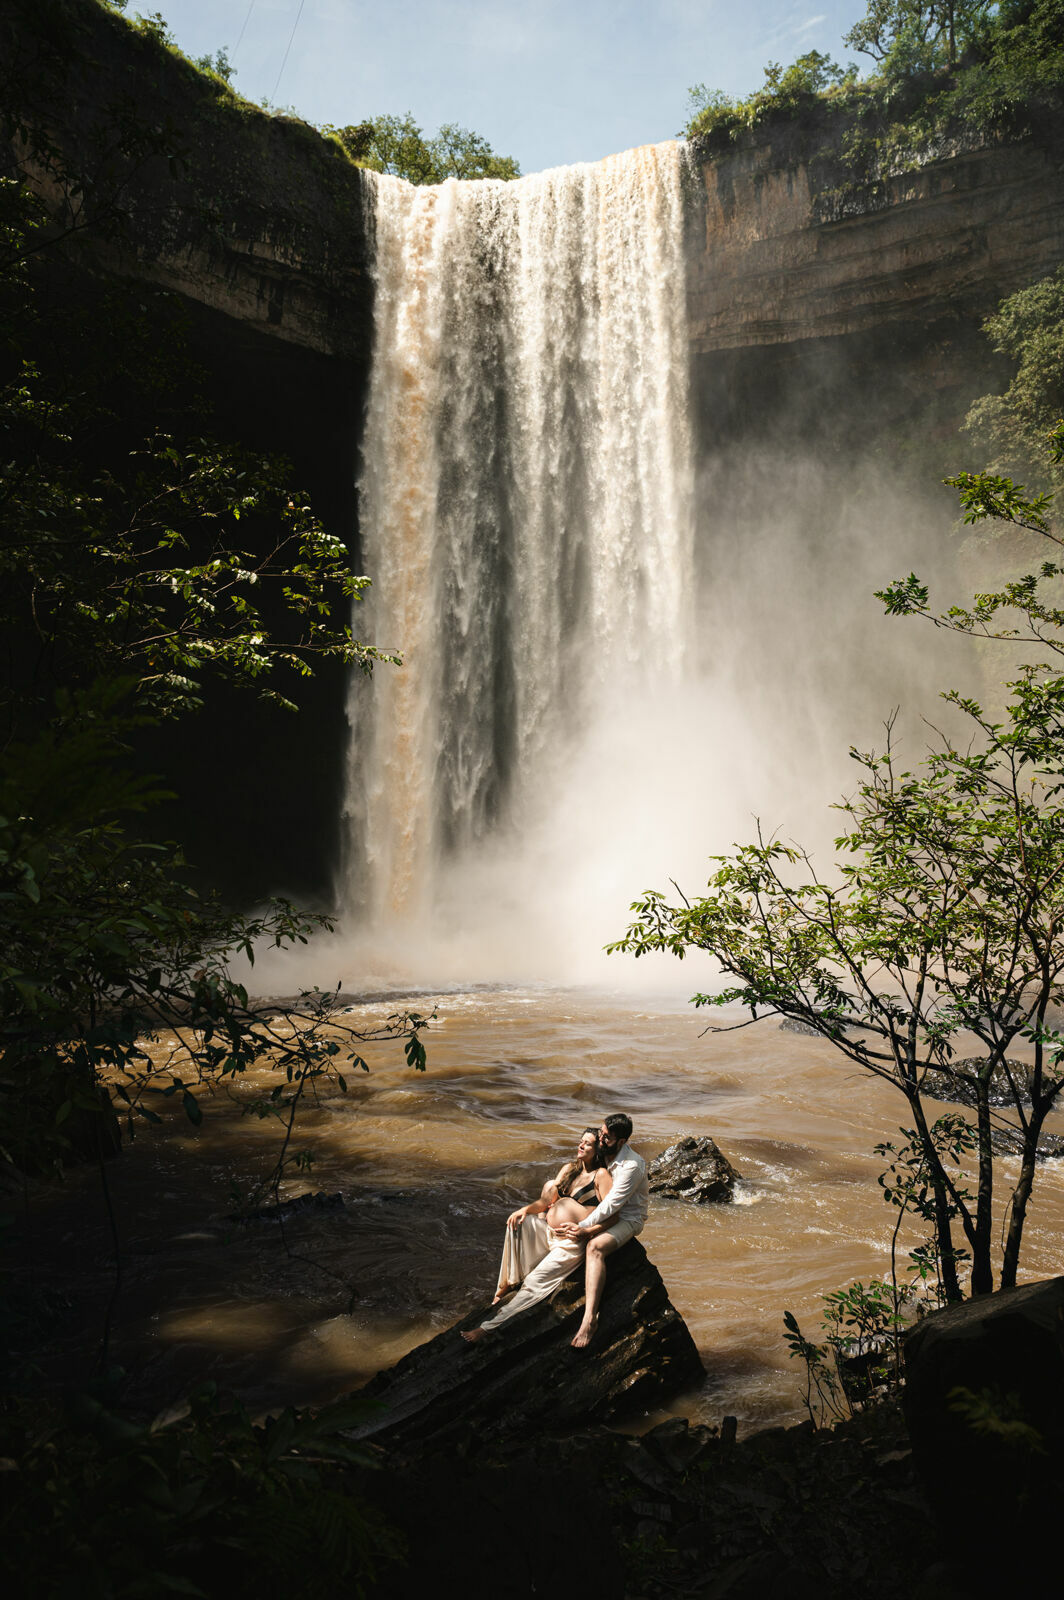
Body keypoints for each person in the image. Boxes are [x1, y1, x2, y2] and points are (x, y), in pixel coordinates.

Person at [461, 1127, 612, 1341]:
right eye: (581, 1141)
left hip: (569, 1243)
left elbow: (610, 1214)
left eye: (587, 1143)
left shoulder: (601, 1175)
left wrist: (587, 1231)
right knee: (517, 1223)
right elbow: (546, 1202)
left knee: (534, 1281)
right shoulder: (570, 1168)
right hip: (548, 1232)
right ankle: (505, 1285)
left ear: (597, 1150)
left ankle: (487, 1328)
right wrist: (524, 1210)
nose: (581, 1145)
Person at [550, 1112, 648, 1349]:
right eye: (601, 1134)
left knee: (594, 1247)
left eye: (607, 1138)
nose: (601, 1140)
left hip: (628, 1219)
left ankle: (589, 1318)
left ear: (622, 1142)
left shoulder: (631, 1166)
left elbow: (612, 1206)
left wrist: (584, 1228)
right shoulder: (605, 1153)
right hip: (605, 1213)